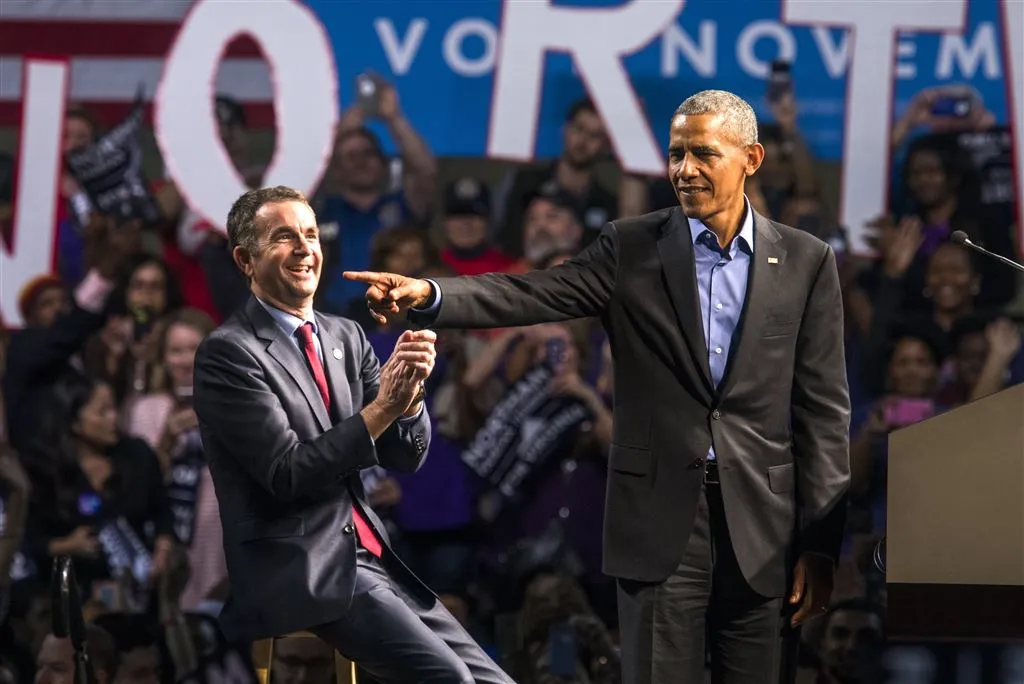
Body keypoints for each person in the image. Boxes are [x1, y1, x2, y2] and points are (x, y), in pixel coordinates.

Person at [347, 90, 851, 684]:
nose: (684, 171)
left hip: (765, 531)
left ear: (752, 159)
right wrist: (432, 295)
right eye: (676, 154)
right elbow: (530, 293)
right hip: (661, 528)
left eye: (703, 155)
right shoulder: (631, 247)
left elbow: (823, 414)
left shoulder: (805, 261)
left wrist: (820, 545)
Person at [192, 186, 513, 684]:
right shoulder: (229, 353)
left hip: (374, 557)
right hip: (299, 569)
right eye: (284, 237)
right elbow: (287, 474)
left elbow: (407, 457)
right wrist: (384, 406)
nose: (305, 249)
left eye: (311, 234)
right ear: (245, 259)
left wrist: (409, 395)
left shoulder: (346, 336)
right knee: (452, 681)